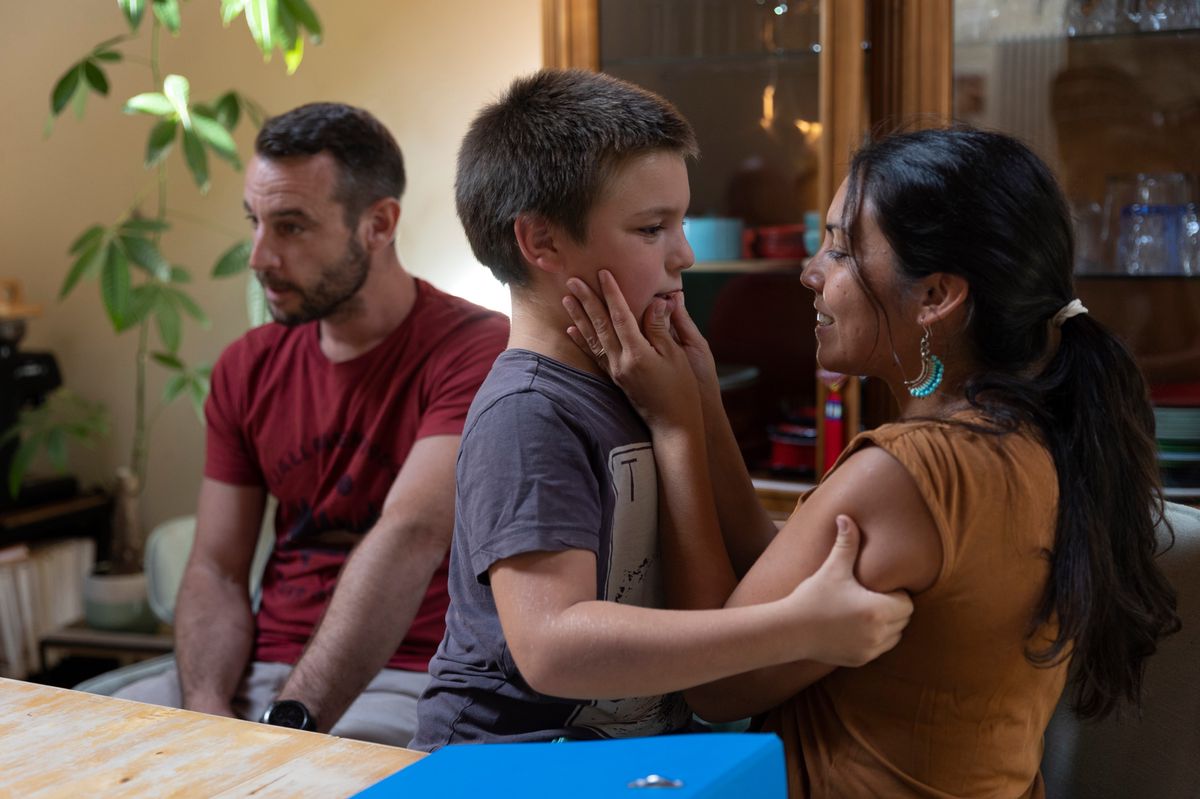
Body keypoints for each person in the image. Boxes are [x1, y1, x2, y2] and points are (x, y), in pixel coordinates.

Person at [561, 126, 1182, 796]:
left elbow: (716, 681)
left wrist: (675, 429)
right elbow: (774, 581)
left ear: (937, 295)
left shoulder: (908, 474)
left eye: (842, 248)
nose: (811, 271)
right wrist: (706, 402)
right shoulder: (1033, 437)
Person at [410, 69, 914, 751]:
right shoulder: (529, 411)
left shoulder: (643, 380)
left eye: (679, 221)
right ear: (542, 243)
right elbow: (551, 644)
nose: (684, 253)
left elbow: (739, 559)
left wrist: (700, 401)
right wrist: (799, 627)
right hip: (513, 762)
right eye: (652, 228)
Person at [113, 102, 510, 747]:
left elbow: (411, 535)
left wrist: (287, 726)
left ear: (378, 225)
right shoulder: (249, 366)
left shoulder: (476, 350)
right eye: (256, 223)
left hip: (409, 674)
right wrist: (208, 707)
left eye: (291, 227)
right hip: (254, 670)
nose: (259, 257)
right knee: (68, 751)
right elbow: (215, 566)